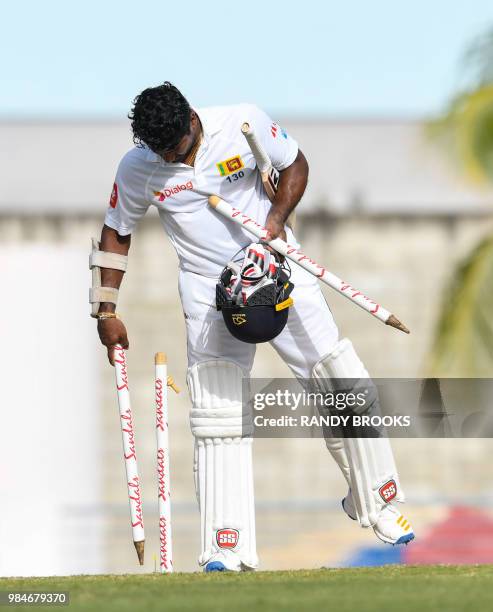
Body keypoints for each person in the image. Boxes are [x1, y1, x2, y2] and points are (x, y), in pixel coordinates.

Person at [91, 82, 414, 572]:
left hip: (274, 265)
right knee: (219, 417)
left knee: (341, 380)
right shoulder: (138, 168)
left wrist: (278, 217)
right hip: (208, 292)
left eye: (177, 148)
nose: (171, 158)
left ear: (193, 120)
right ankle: (228, 546)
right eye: (160, 152)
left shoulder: (241, 122)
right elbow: (117, 229)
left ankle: (380, 503)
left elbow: (295, 164)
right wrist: (106, 310)